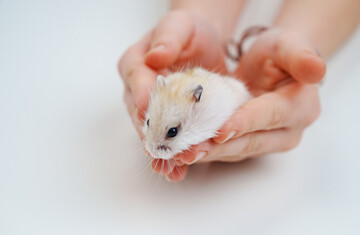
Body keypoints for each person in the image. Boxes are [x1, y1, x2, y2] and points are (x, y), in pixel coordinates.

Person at [118, 0, 360, 182]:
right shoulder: (168, 89)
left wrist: (297, 48)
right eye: (148, 123)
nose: (152, 148)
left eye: (172, 132)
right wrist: (194, 21)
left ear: (198, 100)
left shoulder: (202, 100)